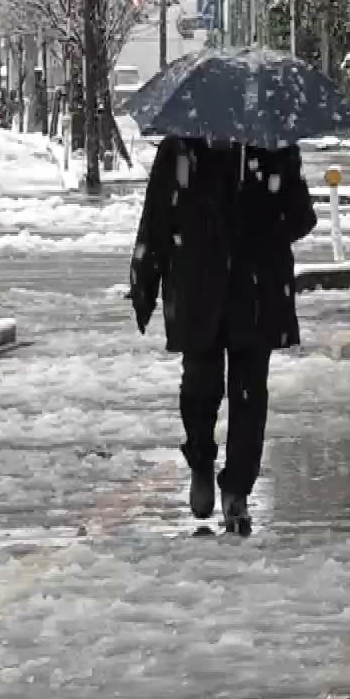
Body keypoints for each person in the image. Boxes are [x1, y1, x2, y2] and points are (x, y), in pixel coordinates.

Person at [129, 136, 317, 536]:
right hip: (198, 285)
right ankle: (200, 460)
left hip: (256, 289)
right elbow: (157, 218)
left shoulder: (274, 146)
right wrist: (143, 283)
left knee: (250, 394)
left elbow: (302, 218)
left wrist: (267, 208)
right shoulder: (180, 147)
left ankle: (237, 491)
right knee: (200, 385)